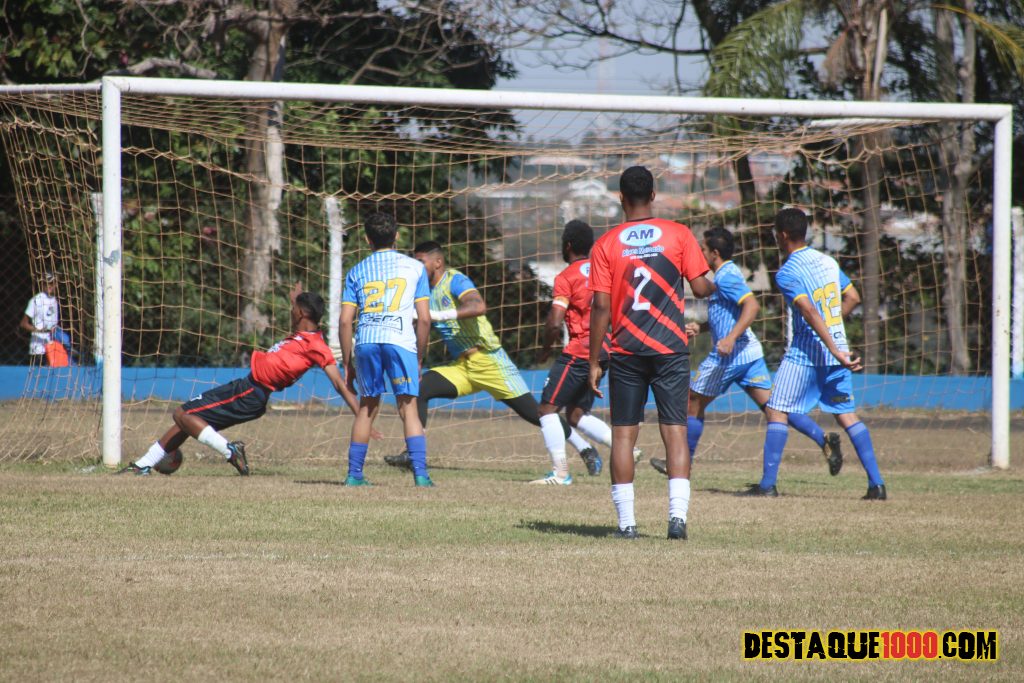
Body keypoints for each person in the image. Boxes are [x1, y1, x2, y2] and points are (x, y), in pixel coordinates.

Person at [383, 240, 595, 472]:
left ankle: (585, 448)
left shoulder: (455, 280)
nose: (416, 266)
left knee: (537, 414)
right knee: (420, 389)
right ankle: (413, 455)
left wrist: (439, 315)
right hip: (462, 367)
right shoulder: (422, 291)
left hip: (490, 360)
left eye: (420, 261)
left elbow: (478, 306)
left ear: (438, 262)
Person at [648, 227, 844, 477]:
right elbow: (729, 314)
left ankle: (680, 464)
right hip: (749, 353)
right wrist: (703, 327)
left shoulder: (727, 276)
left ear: (715, 253)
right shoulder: (723, 275)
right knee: (774, 408)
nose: (700, 253)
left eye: (703, 249)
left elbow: (751, 306)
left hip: (730, 356)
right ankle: (824, 439)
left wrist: (730, 338)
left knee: (692, 401)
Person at [588, 165, 715, 540]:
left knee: (623, 437)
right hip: (670, 349)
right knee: (675, 433)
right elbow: (700, 287)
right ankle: (677, 521)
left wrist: (594, 361)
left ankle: (627, 525)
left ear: (621, 198)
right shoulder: (678, 234)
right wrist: (715, 283)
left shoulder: (606, 244)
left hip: (626, 350)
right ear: (654, 195)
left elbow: (600, 306)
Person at [118, 283, 363, 476]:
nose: (291, 312)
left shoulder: (317, 346)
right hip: (247, 389)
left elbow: (339, 384)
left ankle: (230, 451)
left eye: (293, 309)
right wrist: (296, 299)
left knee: (182, 414)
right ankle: (143, 465)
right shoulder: (302, 334)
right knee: (190, 419)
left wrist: (361, 416)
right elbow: (301, 320)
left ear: (300, 313)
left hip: (250, 392)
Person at [739, 208, 885, 500]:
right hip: (839, 350)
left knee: (777, 410)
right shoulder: (828, 261)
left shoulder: (787, 272)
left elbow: (808, 310)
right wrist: (836, 341)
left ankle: (767, 486)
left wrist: (829, 345)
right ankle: (876, 485)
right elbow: (853, 297)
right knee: (846, 415)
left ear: (782, 235)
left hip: (807, 353)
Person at [533, 220, 632, 485]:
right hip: (605, 350)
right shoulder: (604, 272)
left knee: (546, 410)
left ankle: (560, 473)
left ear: (567, 245)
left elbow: (555, 323)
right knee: (576, 414)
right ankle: (628, 450)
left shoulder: (567, 277)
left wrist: (545, 350)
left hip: (580, 351)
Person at [339, 213, 433, 487]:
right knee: (409, 408)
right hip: (400, 341)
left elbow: (345, 321)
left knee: (367, 408)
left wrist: (348, 363)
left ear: (367, 239)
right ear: (397, 236)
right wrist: (419, 358)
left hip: (367, 341)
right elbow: (424, 319)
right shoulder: (415, 268)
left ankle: (354, 475)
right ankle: (421, 476)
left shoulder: (356, 271)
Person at [20, 270, 60, 364]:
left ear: (56, 284)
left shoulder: (54, 300)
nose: (49, 286)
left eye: (51, 283)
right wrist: (40, 330)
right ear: (42, 284)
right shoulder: (36, 300)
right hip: (38, 348)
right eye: (46, 283)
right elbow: (23, 324)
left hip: (52, 346)